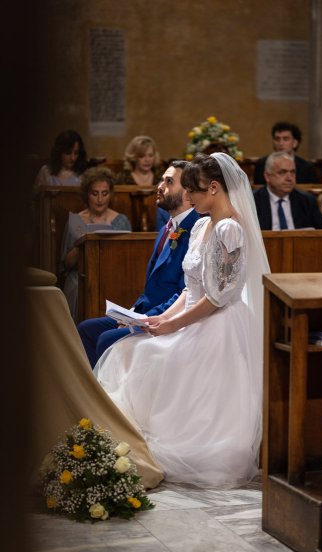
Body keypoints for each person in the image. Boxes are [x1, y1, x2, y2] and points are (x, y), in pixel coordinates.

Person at [94, 152, 270, 489]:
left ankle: (177, 441)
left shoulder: (229, 230)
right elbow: (192, 289)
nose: (189, 198)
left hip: (219, 324)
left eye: (195, 192)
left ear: (215, 188)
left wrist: (174, 325)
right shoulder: (202, 224)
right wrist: (160, 318)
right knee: (130, 349)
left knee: (151, 355)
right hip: (194, 313)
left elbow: (218, 296)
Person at [78, 160, 200, 368]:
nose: (160, 187)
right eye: (162, 180)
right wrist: (131, 313)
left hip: (165, 317)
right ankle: (92, 393)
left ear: (188, 193)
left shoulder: (196, 229)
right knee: (86, 329)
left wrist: (143, 318)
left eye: (169, 182)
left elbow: (184, 292)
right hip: (143, 311)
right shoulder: (166, 228)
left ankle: (104, 396)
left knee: (107, 339)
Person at [60, 166, 132, 322]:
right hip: (79, 279)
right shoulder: (74, 221)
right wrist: (82, 245)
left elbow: (126, 260)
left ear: (110, 195)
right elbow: (65, 264)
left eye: (104, 193)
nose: (100, 199)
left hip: (111, 276)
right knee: (78, 289)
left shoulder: (121, 221)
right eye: (95, 193)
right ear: (87, 194)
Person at [253, 152, 322, 230]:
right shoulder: (253, 201)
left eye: (292, 172)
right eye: (282, 172)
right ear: (267, 176)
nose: (289, 178)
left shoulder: (306, 201)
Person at [116, 134, 168, 229]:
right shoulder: (122, 179)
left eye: (150, 155)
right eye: (142, 156)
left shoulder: (162, 178)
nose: (147, 160)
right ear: (134, 157)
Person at [253, 121, 319, 185]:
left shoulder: (306, 168)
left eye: (285, 139)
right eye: (277, 139)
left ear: (295, 143)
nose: (280, 143)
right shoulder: (262, 164)